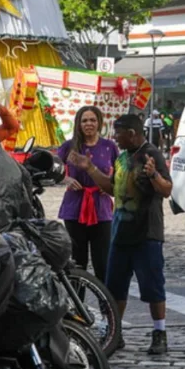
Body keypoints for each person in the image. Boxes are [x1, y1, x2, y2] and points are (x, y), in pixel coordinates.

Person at [67, 114, 173, 355]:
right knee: (115, 288)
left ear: (132, 133)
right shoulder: (122, 157)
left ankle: (159, 333)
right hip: (120, 233)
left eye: (119, 133)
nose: (115, 137)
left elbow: (167, 190)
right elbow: (112, 188)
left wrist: (154, 175)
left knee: (153, 287)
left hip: (147, 233)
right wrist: (90, 168)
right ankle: (115, 333)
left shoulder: (151, 154)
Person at [57, 106, 119, 283]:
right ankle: (78, 300)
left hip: (102, 210)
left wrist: (109, 183)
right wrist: (65, 179)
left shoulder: (109, 147)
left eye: (92, 120)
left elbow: (120, 173)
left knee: (103, 262)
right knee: (77, 262)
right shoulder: (69, 147)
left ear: (99, 122)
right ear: (78, 123)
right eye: (84, 120)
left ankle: (105, 299)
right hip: (74, 209)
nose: (88, 124)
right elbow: (52, 168)